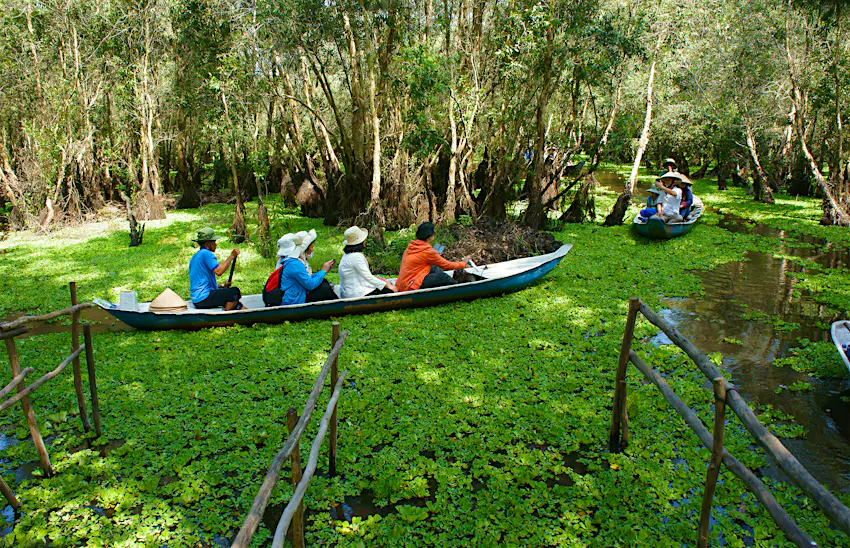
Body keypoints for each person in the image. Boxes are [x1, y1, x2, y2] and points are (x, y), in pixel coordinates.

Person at [396, 222, 471, 291]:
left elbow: (421, 259)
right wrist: (463, 263)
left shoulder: (412, 246)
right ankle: (460, 289)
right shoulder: (428, 251)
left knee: (434, 267)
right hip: (411, 285)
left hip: (403, 283)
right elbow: (447, 265)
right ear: (429, 236)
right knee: (442, 276)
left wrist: (435, 256)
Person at [270, 234, 337, 305]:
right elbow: (310, 284)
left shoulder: (294, 261)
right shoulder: (294, 264)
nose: (313, 250)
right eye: (312, 247)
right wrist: (323, 271)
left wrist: (323, 271)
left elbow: (306, 278)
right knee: (324, 289)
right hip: (294, 299)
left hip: (299, 293)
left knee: (323, 283)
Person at [188, 227, 244, 310]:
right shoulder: (206, 254)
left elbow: (201, 283)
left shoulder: (195, 257)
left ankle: (250, 317)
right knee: (234, 292)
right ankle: (227, 316)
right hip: (203, 298)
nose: (216, 244)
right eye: (214, 242)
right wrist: (232, 256)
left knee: (233, 300)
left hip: (197, 299)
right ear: (208, 244)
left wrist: (222, 286)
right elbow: (219, 271)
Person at [338, 226, 398, 298]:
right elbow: (369, 277)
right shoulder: (357, 257)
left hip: (348, 293)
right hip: (357, 294)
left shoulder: (346, 255)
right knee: (390, 291)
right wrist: (389, 286)